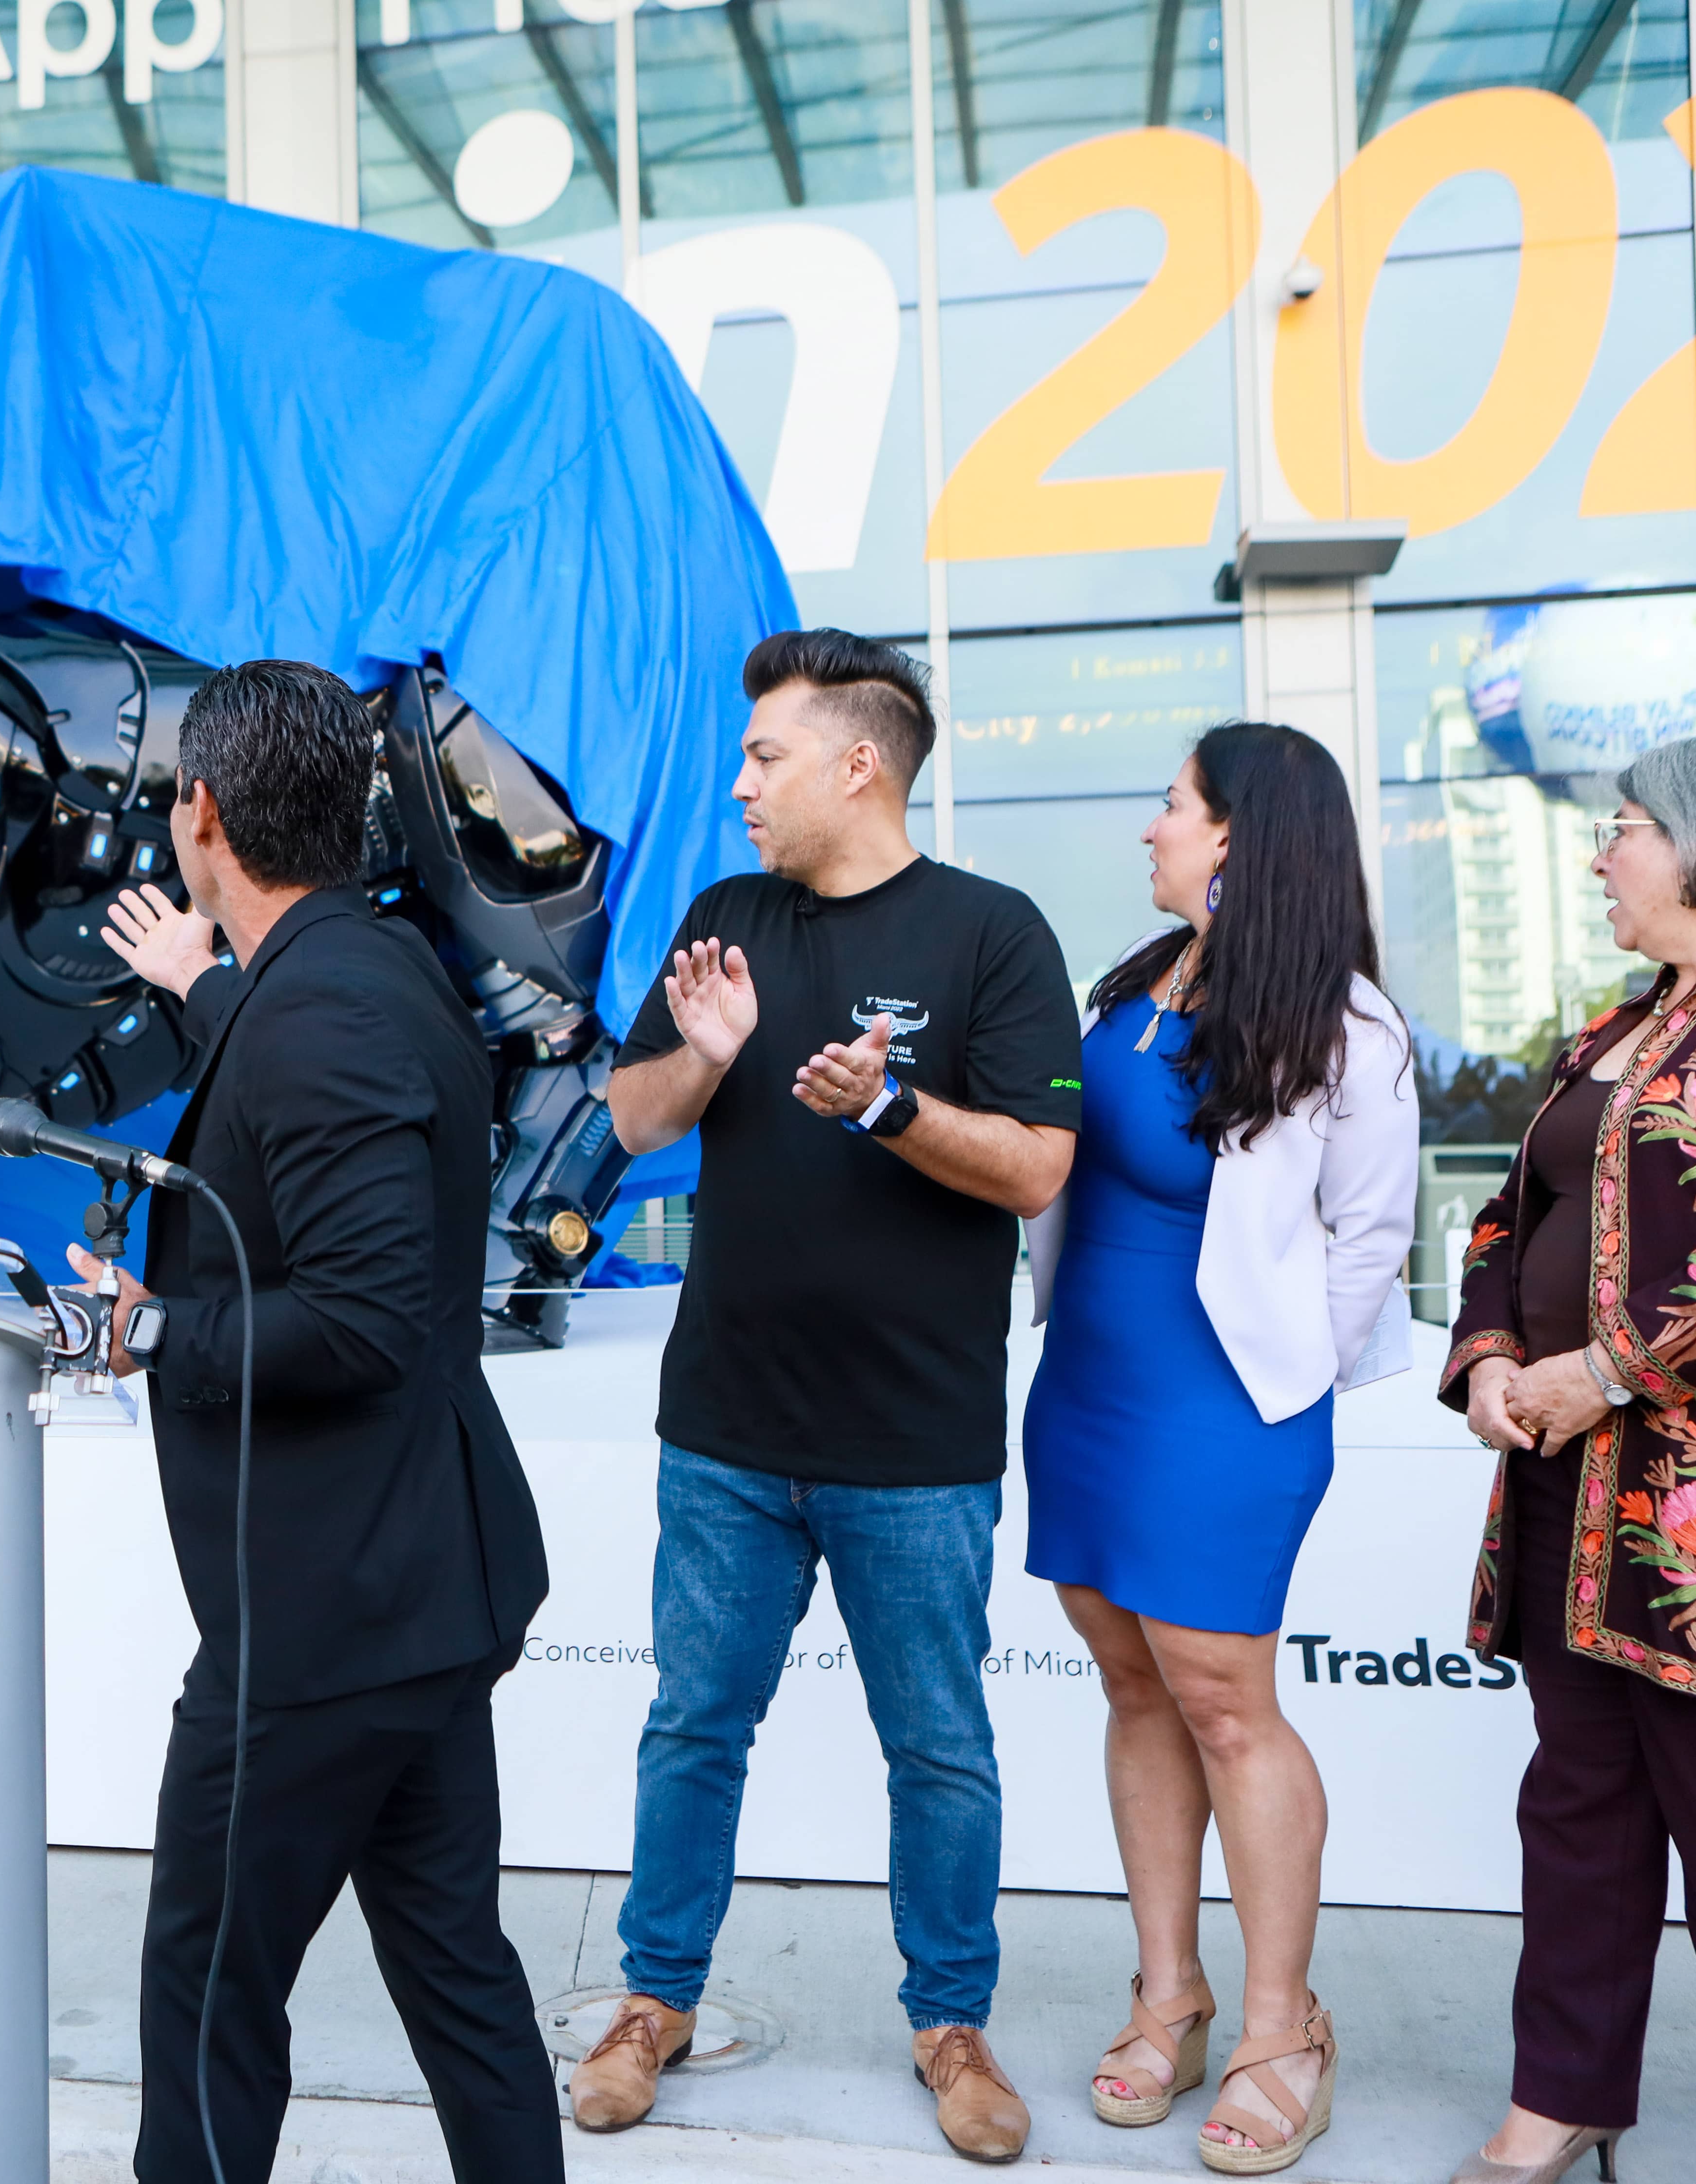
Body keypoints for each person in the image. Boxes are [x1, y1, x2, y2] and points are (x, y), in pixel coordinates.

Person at [572, 627, 1082, 2160]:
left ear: (861, 763)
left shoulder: (993, 934)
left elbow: (1040, 1165)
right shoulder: (730, 920)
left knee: (937, 1744)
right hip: (725, 1430)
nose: (741, 787)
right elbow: (626, 1108)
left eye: (765, 757)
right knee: (693, 1729)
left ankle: (952, 2027)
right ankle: (653, 2002)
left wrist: (894, 1106)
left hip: (913, 1448)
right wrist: (706, 1057)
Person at [79, 659, 562, 2184]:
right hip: (410, 1591)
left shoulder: (327, 1011)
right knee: (457, 1975)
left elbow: (361, 1318)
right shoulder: (362, 966)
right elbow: (313, 1075)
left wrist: (147, 1331)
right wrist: (207, 984)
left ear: (202, 811)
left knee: (212, 1991)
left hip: (324, 1622)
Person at [1442, 728, 1696, 2184]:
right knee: (1579, 1803)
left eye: (1623, 825)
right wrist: (1492, 1355)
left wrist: (1604, 1369)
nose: (1600, 852)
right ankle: (1565, 2096)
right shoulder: (1615, 1025)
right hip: (1568, 1482)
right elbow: (1506, 1220)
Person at [1018, 724, 1418, 2175]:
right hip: (1088, 1385)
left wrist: (1291, 1379)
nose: (1148, 829)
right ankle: (1167, 1995)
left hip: (1228, 1406)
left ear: (1241, 838)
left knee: (1228, 1702)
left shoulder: (1349, 1028)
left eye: (1171, 807)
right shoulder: (1137, 984)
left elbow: (1376, 1233)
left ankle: (1277, 2027)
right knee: (1134, 1684)